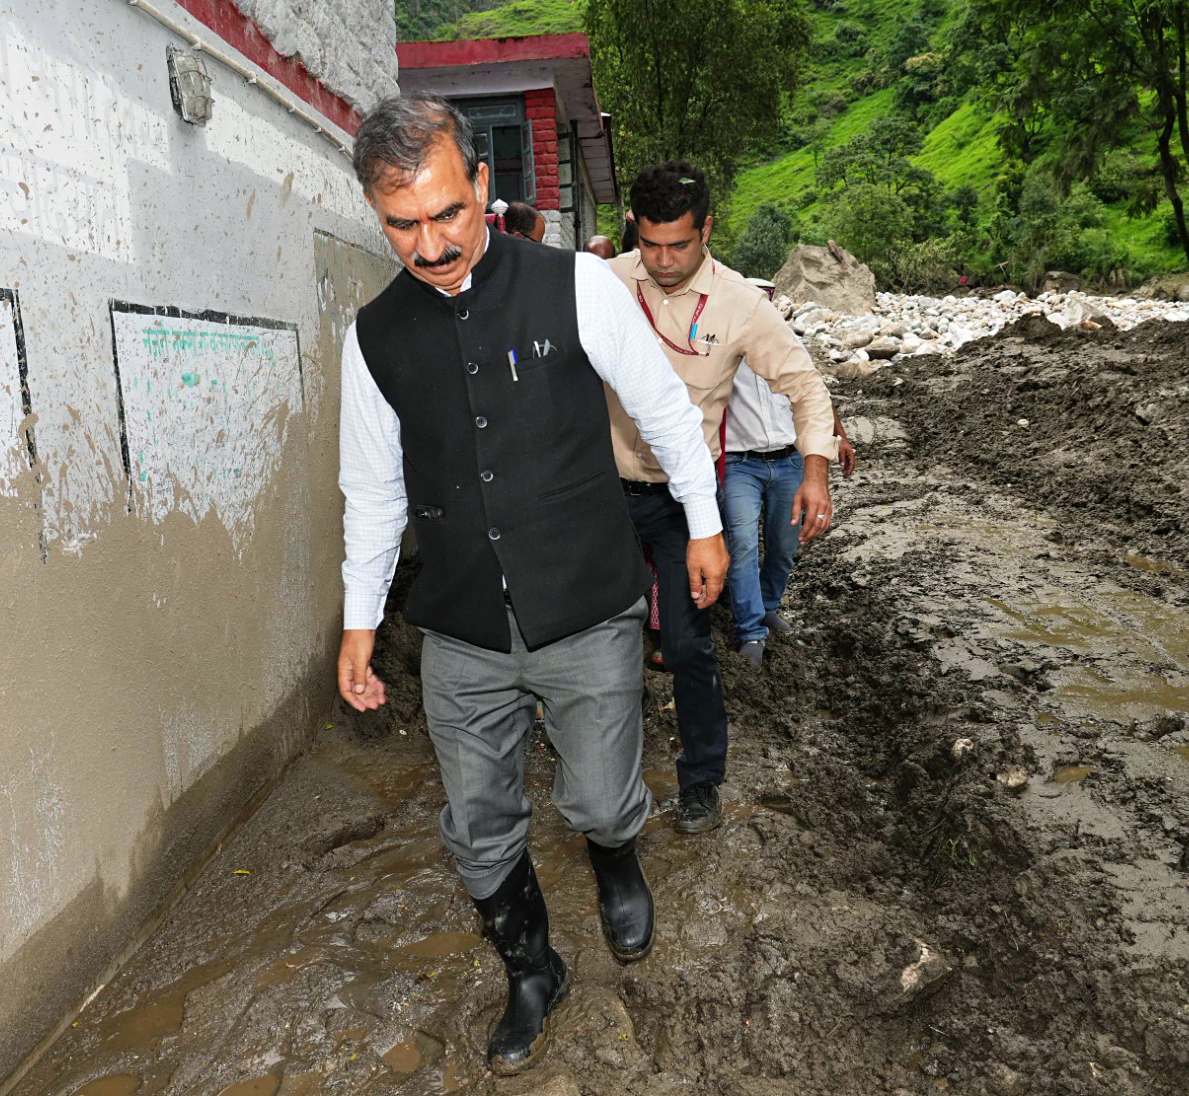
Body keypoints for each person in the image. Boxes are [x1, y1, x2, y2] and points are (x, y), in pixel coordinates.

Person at [337, 94, 727, 1076]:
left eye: (446, 214)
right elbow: (373, 493)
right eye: (401, 224)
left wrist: (706, 525)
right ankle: (531, 966)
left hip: (585, 607)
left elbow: (668, 413)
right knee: (476, 827)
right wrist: (356, 625)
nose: (427, 245)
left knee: (598, 795)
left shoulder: (576, 290)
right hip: (463, 625)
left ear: (482, 183)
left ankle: (613, 854)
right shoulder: (373, 339)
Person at [605, 161, 837, 835]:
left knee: (685, 644)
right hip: (602, 495)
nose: (665, 260)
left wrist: (815, 470)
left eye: (680, 244)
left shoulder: (741, 304)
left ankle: (702, 778)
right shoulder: (607, 286)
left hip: (688, 504)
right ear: (634, 232)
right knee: (598, 640)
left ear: (707, 228)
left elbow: (807, 386)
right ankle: (603, 773)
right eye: (651, 244)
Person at [723, 361, 858, 666]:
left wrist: (840, 435)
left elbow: (814, 392)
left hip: (789, 461)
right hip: (738, 463)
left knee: (784, 545)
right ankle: (750, 632)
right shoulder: (724, 340)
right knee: (742, 545)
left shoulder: (780, 343)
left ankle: (767, 605)